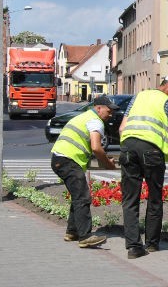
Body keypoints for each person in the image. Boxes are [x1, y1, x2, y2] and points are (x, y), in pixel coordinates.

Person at [118, 74, 168, 259]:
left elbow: (122, 127)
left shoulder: (138, 96)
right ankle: (152, 244)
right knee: (154, 197)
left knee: (130, 199)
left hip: (128, 148)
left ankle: (133, 246)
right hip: (152, 152)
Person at [50, 95, 118, 248]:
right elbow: (96, 147)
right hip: (68, 160)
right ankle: (85, 236)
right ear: (98, 108)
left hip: (60, 158)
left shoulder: (85, 116)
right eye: (109, 111)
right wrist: (107, 164)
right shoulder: (95, 121)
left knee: (77, 195)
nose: (111, 114)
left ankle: (72, 231)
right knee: (82, 196)